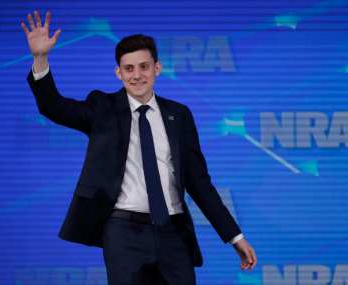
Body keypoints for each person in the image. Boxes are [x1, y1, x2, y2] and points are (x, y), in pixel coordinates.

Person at [21, 10, 257, 285]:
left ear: (157, 68)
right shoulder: (102, 108)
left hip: (174, 232)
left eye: (144, 66)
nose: (137, 75)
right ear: (118, 73)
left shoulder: (179, 115)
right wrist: (40, 58)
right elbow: (54, 107)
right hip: (123, 233)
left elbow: (200, 183)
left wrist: (234, 236)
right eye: (129, 69)